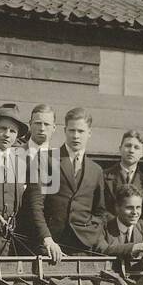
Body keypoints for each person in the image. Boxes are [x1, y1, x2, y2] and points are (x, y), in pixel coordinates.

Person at [0, 103, 46, 257]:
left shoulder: (22, 162)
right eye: (2, 128)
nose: (7, 134)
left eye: (12, 131)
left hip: (12, 239)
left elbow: (32, 201)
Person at [39, 107, 106, 257]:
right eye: (72, 130)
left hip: (83, 246)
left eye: (81, 131)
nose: (76, 136)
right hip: (51, 244)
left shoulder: (96, 170)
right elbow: (36, 205)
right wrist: (47, 238)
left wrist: (92, 235)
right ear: (65, 131)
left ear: (89, 133)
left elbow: (100, 211)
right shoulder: (47, 160)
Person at [103, 129, 143, 211]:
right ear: (120, 149)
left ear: (142, 154)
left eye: (136, 147)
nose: (131, 150)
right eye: (128, 146)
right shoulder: (103, 177)